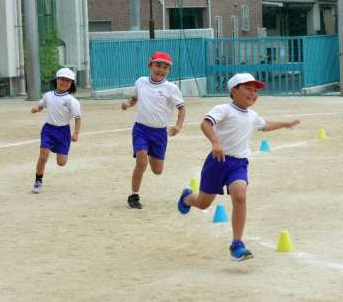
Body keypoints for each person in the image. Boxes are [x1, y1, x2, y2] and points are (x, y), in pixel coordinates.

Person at [177, 72, 300, 261]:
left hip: (239, 164)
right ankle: (187, 199)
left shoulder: (252, 115)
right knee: (203, 203)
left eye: (255, 90)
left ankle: (237, 244)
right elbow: (206, 124)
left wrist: (285, 124)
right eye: (248, 88)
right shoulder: (224, 109)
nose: (253, 93)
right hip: (217, 162)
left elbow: (265, 125)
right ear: (234, 91)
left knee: (240, 195)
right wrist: (215, 142)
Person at [121, 52, 186, 209]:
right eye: (158, 65)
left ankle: (149, 152)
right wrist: (128, 104)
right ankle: (134, 195)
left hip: (160, 133)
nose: (161, 69)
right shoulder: (141, 82)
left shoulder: (171, 88)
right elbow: (135, 98)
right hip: (141, 129)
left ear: (168, 70)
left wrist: (178, 126)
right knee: (141, 161)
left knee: (157, 171)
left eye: (165, 67)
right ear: (150, 66)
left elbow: (182, 108)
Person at [31, 67, 81, 194]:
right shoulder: (48, 96)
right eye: (62, 79)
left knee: (61, 163)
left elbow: (77, 118)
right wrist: (37, 109)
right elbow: (42, 105)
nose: (64, 83)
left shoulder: (72, 101)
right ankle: (38, 180)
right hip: (48, 129)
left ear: (71, 84)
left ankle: (58, 150)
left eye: (68, 81)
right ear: (57, 80)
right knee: (43, 156)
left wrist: (76, 133)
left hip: (63, 132)